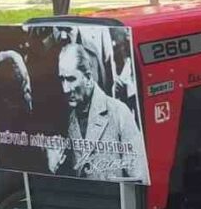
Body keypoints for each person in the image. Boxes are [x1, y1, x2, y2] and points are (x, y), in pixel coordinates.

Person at [49, 43, 144, 181]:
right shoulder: (66, 121)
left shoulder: (119, 113)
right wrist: (54, 168)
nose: (65, 89)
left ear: (88, 78)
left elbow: (139, 177)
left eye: (71, 79)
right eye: (62, 79)